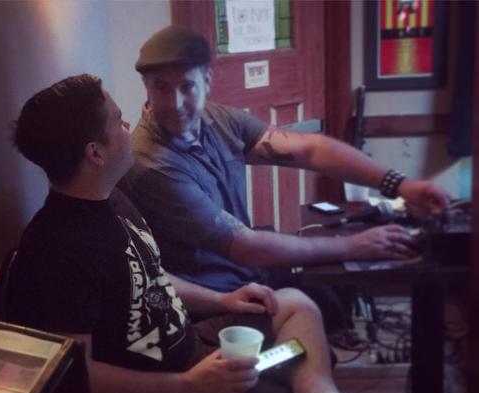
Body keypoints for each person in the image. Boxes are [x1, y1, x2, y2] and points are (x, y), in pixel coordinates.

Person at [7, 74, 434, 393]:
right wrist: (190, 386)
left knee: (290, 302)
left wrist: (224, 300)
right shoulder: (54, 252)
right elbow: (79, 381)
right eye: (118, 121)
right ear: (95, 153)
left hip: (193, 352)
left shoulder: (110, 202)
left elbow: (150, 275)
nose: (129, 125)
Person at [119, 25, 448, 303]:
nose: (175, 103)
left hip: (245, 277)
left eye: (186, 87)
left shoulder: (216, 120)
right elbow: (245, 247)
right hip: (212, 301)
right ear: (146, 87)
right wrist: (352, 246)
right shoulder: (150, 164)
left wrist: (400, 184)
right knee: (311, 305)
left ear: (207, 80)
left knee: (327, 301)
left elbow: (308, 149)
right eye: (161, 88)